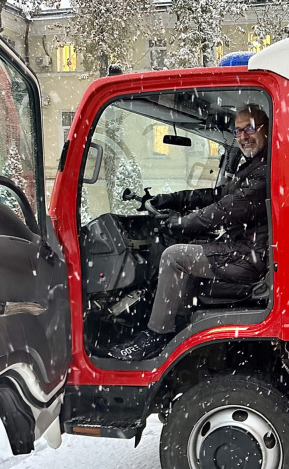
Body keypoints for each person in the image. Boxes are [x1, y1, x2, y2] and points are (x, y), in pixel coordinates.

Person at [108, 104, 270, 361]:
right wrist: (172, 200)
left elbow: (224, 210)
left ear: (266, 129)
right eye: (238, 131)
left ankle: (157, 334)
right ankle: (177, 323)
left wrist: (180, 223)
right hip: (245, 249)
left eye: (249, 128)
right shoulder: (252, 168)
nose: (242, 137)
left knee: (174, 257)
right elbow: (216, 195)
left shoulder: (263, 173)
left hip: (248, 257)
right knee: (189, 245)